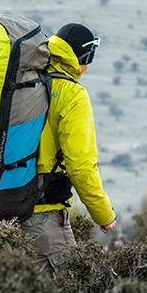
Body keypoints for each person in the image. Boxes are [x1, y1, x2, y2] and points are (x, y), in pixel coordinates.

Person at [21, 23, 118, 276]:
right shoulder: (72, 94)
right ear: (83, 58)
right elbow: (81, 165)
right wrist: (104, 215)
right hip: (45, 217)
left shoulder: (24, 82)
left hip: (1, 209)